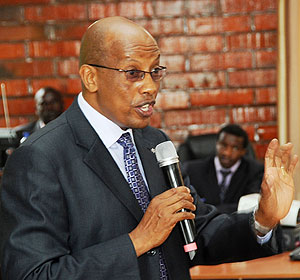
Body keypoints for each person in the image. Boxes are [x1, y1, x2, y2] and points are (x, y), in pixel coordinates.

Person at [0, 16, 298, 280]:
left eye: (155, 71)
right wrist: (138, 241)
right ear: (91, 78)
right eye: (133, 73)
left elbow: (197, 234)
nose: (151, 87)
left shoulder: (154, 142)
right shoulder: (39, 157)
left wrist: (263, 219)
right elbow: (32, 273)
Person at [183, 124, 264, 213]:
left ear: (243, 151)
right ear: (216, 143)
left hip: (237, 224)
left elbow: (250, 205)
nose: (227, 153)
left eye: (235, 148)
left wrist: (209, 210)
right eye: (223, 145)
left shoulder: (255, 171)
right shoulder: (192, 169)